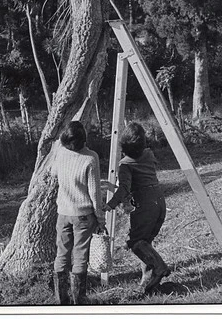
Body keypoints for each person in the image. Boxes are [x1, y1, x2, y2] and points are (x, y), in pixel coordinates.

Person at [102, 122, 171, 293]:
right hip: (159, 201)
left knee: (135, 243)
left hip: (145, 204)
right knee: (145, 241)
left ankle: (159, 267)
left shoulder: (125, 165)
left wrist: (110, 204)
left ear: (124, 148)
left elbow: (124, 188)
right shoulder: (149, 154)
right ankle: (149, 281)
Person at [51, 120, 106, 305]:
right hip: (83, 214)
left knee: (62, 254)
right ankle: (79, 300)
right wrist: (100, 218)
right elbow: (95, 192)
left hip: (63, 213)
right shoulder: (91, 158)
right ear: (84, 139)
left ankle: (61, 299)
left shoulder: (60, 153)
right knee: (80, 256)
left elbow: (53, 173)